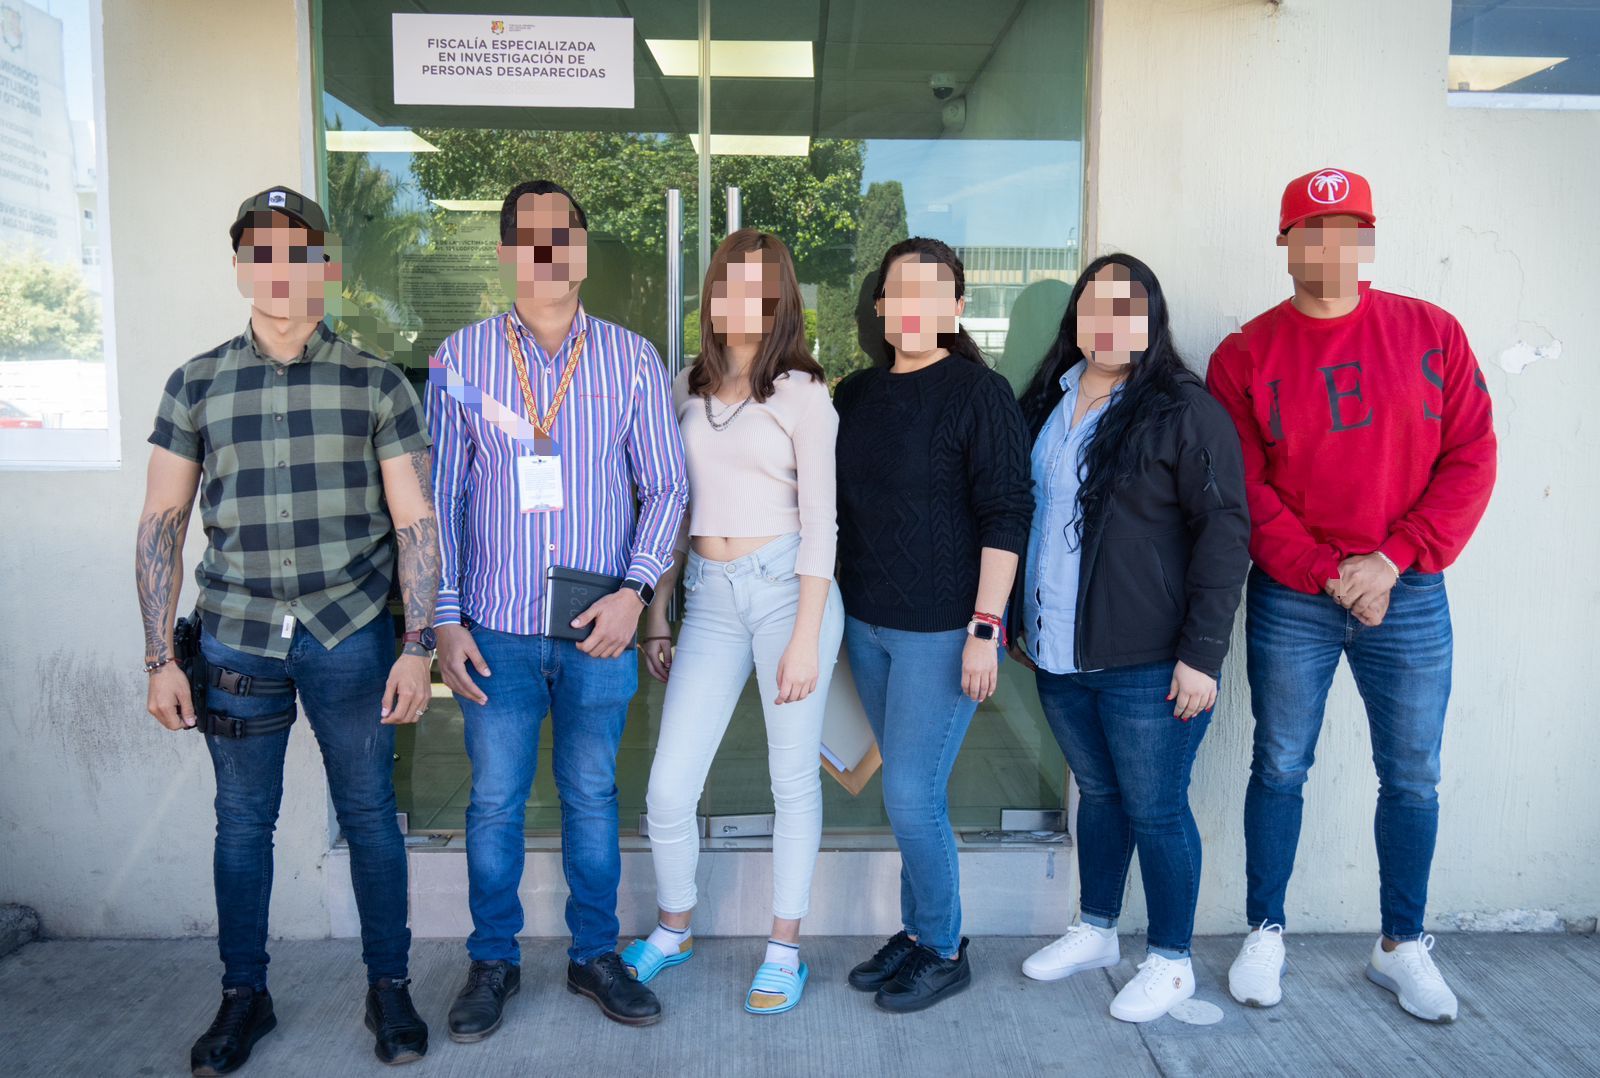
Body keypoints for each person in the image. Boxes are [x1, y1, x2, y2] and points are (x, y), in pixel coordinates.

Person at [137, 186, 436, 1073]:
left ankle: (390, 988)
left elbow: (416, 524)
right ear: (239, 268)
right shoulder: (195, 383)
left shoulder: (376, 382)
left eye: (295, 251)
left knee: (371, 818)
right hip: (235, 638)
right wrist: (159, 659)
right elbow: (161, 526)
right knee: (241, 825)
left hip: (350, 636)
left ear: (324, 266)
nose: (276, 269)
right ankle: (244, 996)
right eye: (257, 252)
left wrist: (417, 647)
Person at [1206, 168, 1497, 1023]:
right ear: (1286, 242)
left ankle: (1401, 945)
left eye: (1348, 229)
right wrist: (1327, 571)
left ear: (1367, 239)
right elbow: (1244, 490)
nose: (1331, 245)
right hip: (1296, 594)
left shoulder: (1432, 331)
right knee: (1279, 763)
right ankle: (1266, 931)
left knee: (1412, 774)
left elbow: (1472, 457)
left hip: (1408, 589)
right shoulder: (1244, 354)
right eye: (1313, 229)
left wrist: (1393, 559)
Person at [426, 179, 689, 1037]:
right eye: (529, 237)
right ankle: (492, 961)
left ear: (581, 247)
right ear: (507, 252)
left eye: (563, 234)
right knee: (494, 803)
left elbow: (667, 488)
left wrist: (635, 593)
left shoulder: (631, 358)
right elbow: (442, 499)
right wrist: (446, 618)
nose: (547, 251)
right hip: (493, 630)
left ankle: (594, 955)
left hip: (598, 627)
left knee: (592, 796)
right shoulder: (459, 359)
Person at [1009, 254, 1250, 1022]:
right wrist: (1016, 614)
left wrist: (1201, 656)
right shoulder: (1047, 402)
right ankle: (1096, 929)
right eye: (1095, 305)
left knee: (1156, 809)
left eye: (1127, 307)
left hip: (1150, 662)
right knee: (1101, 793)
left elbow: (1224, 534)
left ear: (1152, 321)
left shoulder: (1183, 410)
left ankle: (1173, 962)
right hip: (1058, 653)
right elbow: (1022, 518)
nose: (1108, 322)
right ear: (1076, 317)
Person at [623, 229, 843, 1015]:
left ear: (781, 299)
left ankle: (784, 949)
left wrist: (806, 638)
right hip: (710, 597)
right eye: (727, 284)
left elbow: (822, 523)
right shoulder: (683, 385)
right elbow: (672, 509)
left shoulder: (805, 394)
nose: (739, 301)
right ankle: (674, 927)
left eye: (758, 287)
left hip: (789, 591)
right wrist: (658, 613)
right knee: (668, 786)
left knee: (791, 779)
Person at [833, 237, 1034, 1013]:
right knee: (908, 792)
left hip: (945, 633)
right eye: (899, 291)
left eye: (932, 292)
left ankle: (944, 947)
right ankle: (919, 931)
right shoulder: (854, 395)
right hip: (867, 627)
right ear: (881, 305)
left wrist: (986, 627)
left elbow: (1006, 512)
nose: (913, 306)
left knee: (911, 794)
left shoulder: (980, 394)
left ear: (956, 306)